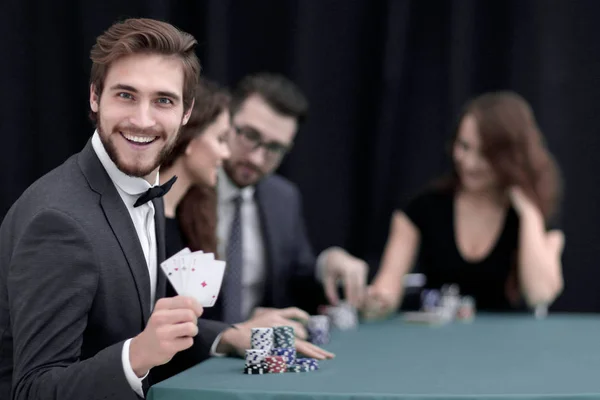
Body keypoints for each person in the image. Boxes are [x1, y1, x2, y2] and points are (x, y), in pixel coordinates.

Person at [1, 18, 256, 400]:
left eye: (163, 101)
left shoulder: (145, 189)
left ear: (186, 113)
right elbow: (33, 389)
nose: (142, 120)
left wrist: (228, 337)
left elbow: (134, 322)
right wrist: (137, 355)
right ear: (94, 97)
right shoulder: (57, 220)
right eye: (125, 95)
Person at [157, 77, 333, 362]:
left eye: (275, 148)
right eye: (250, 136)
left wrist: (329, 263)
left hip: (247, 360)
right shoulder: (178, 190)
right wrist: (231, 332)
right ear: (225, 124)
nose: (257, 158)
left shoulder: (283, 198)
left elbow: (300, 278)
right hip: (183, 360)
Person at [362, 91, 565, 319]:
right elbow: (388, 285)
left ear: (510, 156)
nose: (469, 163)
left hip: (512, 349)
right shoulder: (423, 208)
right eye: (464, 147)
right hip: (439, 345)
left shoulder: (533, 216)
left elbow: (540, 293)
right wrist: (374, 300)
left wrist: (529, 211)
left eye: (484, 154)